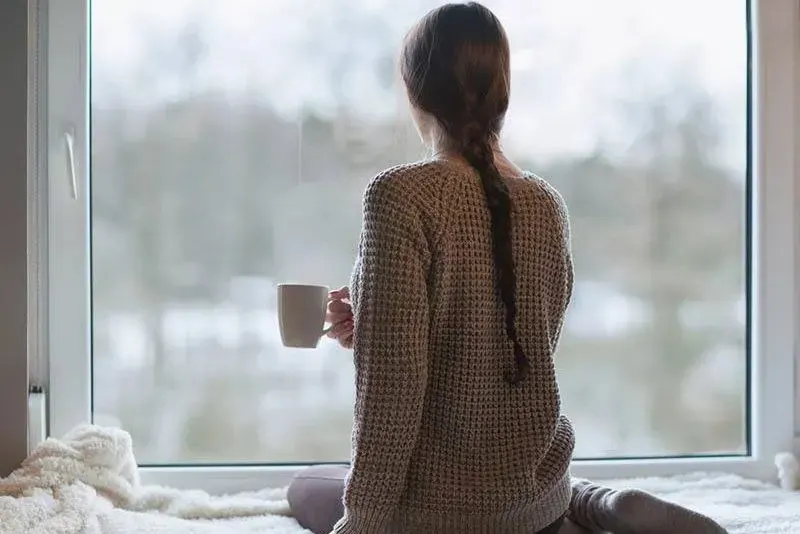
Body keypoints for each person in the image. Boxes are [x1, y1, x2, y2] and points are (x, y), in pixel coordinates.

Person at [287, 3, 728, 533]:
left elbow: (393, 391)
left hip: (440, 513)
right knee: (539, 496)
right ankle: (589, 504)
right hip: (531, 499)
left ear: (414, 92)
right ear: (502, 91)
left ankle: (578, 504)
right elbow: (516, 351)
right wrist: (376, 318)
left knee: (306, 487)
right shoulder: (546, 203)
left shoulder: (399, 196)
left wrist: (363, 523)